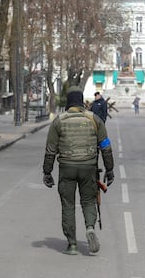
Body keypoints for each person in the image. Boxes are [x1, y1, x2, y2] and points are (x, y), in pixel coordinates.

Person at [42, 86, 114, 255]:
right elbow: (105, 147)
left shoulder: (59, 121)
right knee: (88, 201)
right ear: (82, 101)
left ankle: (72, 244)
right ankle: (89, 227)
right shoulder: (94, 119)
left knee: (68, 204)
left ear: (68, 102)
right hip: (89, 167)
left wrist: (47, 172)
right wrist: (109, 170)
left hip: (66, 167)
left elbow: (50, 150)